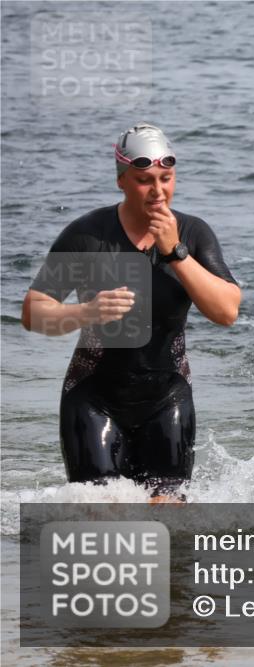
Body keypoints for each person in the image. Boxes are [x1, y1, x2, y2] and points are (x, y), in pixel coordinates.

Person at [21, 123, 241, 502]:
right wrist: (85, 312)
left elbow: (226, 312)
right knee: (103, 516)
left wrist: (175, 252)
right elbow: (32, 312)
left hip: (167, 398)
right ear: (121, 180)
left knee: (168, 519)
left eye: (166, 178)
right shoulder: (88, 234)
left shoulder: (193, 233)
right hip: (94, 399)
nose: (158, 191)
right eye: (144, 180)